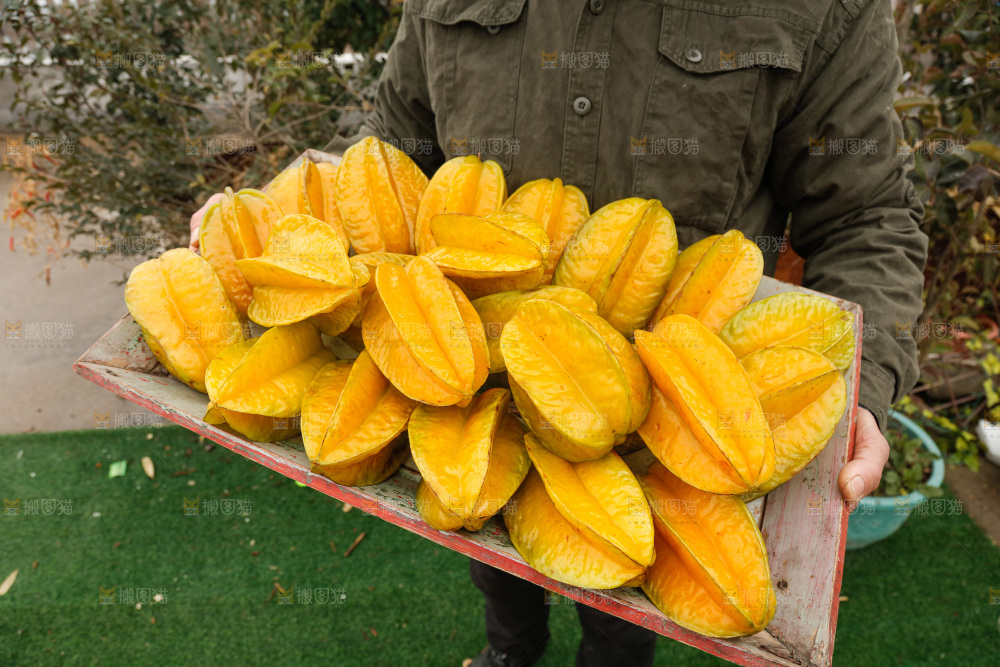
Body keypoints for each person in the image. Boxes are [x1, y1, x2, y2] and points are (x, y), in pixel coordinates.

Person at [190, 0, 927, 664]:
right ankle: (513, 648)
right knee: (490, 547)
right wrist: (265, 227)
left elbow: (866, 216)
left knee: (624, 584)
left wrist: (867, 382)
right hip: (469, 385)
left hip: (675, 416)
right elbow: (397, 144)